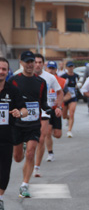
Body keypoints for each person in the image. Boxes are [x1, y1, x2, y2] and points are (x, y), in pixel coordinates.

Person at [11, 50, 50, 198]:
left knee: (31, 152)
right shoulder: (14, 81)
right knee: (17, 157)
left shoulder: (41, 82)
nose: (29, 65)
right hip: (17, 124)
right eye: (26, 62)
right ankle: (23, 147)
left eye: (31, 62)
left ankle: (24, 185)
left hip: (33, 123)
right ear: (21, 63)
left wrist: (52, 110)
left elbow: (44, 103)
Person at [0, 57, 27, 210]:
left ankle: (0, 200)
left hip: (6, 136)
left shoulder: (13, 90)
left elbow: (24, 110)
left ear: (8, 71)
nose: (1, 72)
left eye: (4, 69)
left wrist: (19, 113)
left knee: (4, 170)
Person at [33, 54, 63, 176]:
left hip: (45, 111)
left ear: (43, 64)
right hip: (27, 112)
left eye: (40, 62)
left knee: (41, 138)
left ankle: (36, 167)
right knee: (19, 152)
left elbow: (60, 92)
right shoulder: (22, 76)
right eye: (36, 62)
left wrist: (59, 106)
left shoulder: (50, 78)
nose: (38, 64)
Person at [45, 61, 67, 162]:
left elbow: (69, 94)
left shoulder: (61, 81)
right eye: (49, 68)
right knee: (48, 131)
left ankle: (52, 130)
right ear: (46, 68)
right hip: (46, 109)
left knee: (58, 135)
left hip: (57, 109)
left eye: (53, 69)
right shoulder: (42, 79)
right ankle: (50, 153)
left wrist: (59, 102)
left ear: (56, 70)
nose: (51, 70)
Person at [61, 61, 80, 137]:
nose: (70, 68)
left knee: (72, 113)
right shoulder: (63, 76)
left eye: (72, 66)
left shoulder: (76, 76)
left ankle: (69, 131)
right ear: (66, 68)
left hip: (73, 97)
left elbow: (79, 84)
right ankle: (68, 118)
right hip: (65, 98)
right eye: (69, 67)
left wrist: (78, 87)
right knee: (64, 116)